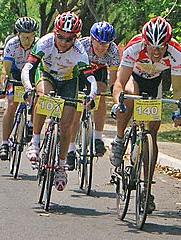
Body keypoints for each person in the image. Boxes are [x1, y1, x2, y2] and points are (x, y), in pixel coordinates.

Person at [110, 16, 181, 212]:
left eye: (161, 47)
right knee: (129, 96)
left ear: (168, 44)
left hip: (155, 83)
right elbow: (119, 82)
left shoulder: (176, 54)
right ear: (144, 41)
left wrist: (179, 111)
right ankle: (119, 139)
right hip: (133, 78)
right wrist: (117, 102)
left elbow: (178, 90)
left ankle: (146, 187)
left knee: (151, 134)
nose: (156, 51)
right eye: (152, 46)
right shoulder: (134, 48)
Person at [21, 11, 97, 191]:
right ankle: (36, 141)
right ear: (55, 32)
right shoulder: (44, 43)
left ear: (76, 38)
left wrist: (91, 97)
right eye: (60, 36)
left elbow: (91, 80)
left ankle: (61, 166)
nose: (63, 42)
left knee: (65, 126)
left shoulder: (79, 52)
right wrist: (29, 88)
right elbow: (28, 68)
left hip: (69, 81)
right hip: (47, 75)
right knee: (45, 98)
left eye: (69, 39)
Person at [66, 21, 120, 171]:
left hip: (99, 72)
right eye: (98, 43)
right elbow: (70, 66)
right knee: (77, 107)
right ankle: (70, 148)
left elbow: (113, 78)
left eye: (106, 44)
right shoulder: (81, 45)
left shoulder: (113, 51)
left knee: (101, 95)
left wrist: (110, 91)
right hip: (80, 72)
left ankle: (97, 137)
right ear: (91, 39)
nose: (102, 47)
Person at [0, 17, 38, 160]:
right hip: (15, 73)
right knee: (12, 104)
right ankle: (4, 143)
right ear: (18, 35)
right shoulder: (11, 44)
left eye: (30, 36)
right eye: (24, 37)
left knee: (36, 100)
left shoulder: (39, 45)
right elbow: (5, 70)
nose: (27, 40)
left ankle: (31, 125)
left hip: (32, 74)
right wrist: (4, 86)